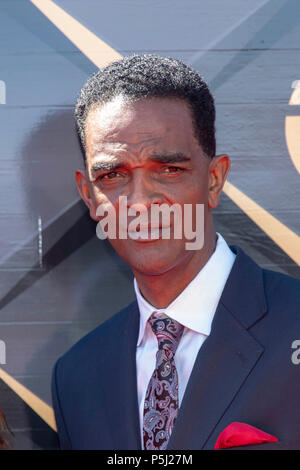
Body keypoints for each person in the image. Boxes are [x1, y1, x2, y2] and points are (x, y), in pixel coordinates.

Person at [51, 54, 300, 450]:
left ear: (214, 180)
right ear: (89, 195)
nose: (141, 203)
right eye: (113, 175)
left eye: (169, 170)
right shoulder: (75, 377)